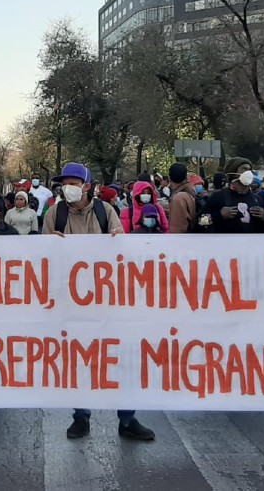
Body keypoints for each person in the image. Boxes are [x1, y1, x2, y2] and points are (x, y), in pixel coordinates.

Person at [42, 163, 154, 441]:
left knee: (120, 357)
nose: (68, 188)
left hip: (107, 299)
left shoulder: (107, 211)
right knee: (78, 359)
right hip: (71, 300)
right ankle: (81, 417)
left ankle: (127, 419)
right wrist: (48, 244)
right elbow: (42, 259)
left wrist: (119, 240)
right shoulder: (55, 213)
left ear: (87, 186)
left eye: (73, 182)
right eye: (64, 183)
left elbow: (122, 252)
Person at [206, 169, 264, 234]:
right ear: (233, 173)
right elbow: (200, 221)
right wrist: (219, 215)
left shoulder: (257, 199)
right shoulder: (219, 196)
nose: (248, 172)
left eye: (249, 169)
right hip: (225, 242)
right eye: (244, 168)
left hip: (250, 243)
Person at [167, 163, 198, 234]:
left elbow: (177, 230)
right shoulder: (192, 190)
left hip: (183, 241)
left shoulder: (179, 198)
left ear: (169, 178)